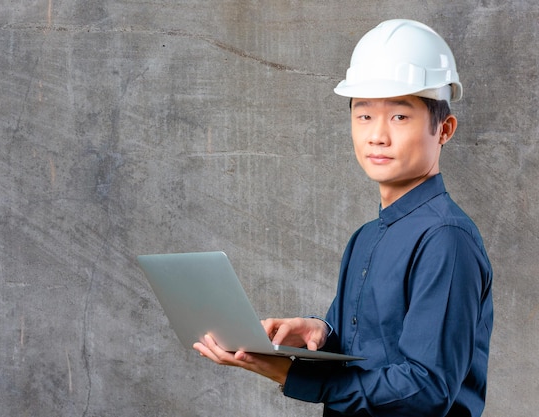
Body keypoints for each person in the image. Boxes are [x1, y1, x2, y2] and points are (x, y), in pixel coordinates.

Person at [193, 18, 494, 417]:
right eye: (364, 115)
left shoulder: (446, 239)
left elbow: (426, 390)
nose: (377, 136)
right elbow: (369, 352)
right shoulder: (365, 238)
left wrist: (288, 373)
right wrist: (321, 334)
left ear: (444, 129)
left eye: (400, 116)